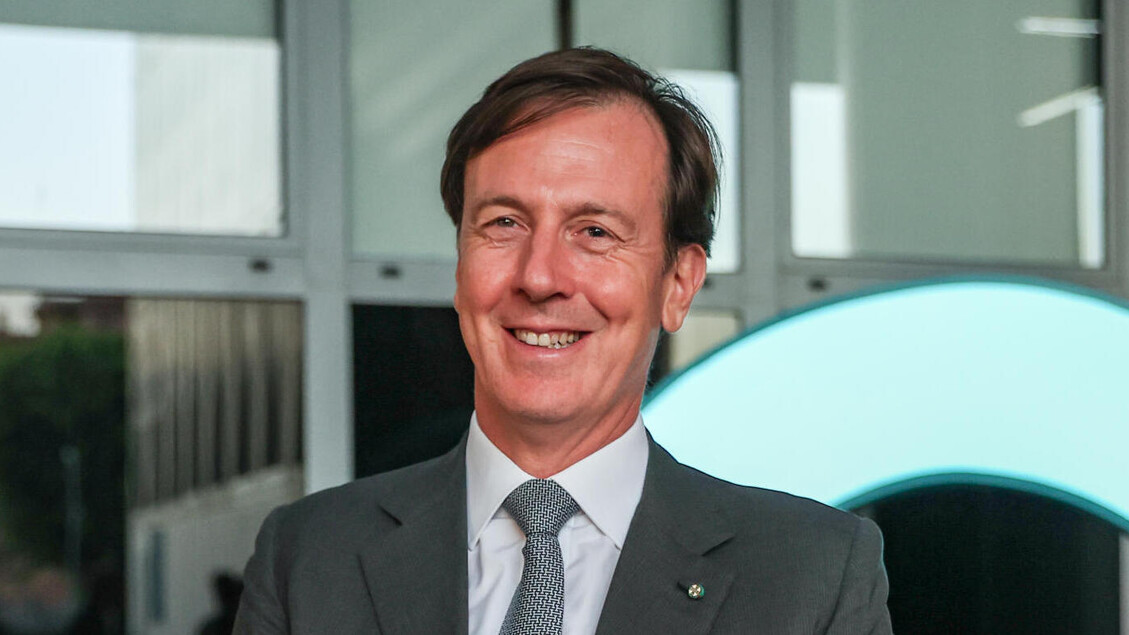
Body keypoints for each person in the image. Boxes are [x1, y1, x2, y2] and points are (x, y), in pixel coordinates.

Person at [235, 47, 892, 634]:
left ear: (677, 284)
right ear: (460, 265)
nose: (540, 276)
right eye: (504, 223)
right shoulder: (307, 557)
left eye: (595, 232)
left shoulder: (812, 575)